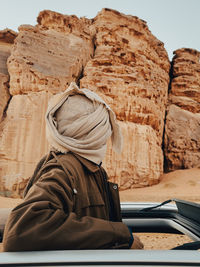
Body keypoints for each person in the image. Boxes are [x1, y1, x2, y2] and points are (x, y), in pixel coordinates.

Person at [3, 82, 144, 251]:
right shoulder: (63, 170)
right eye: (103, 126)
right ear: (93, 131)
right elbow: (22, 230)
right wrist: (119, 235)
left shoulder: (92, 169)